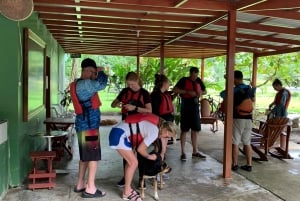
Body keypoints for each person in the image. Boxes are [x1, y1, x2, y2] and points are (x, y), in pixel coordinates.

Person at [108, 113, 176, 201]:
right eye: (167, 136)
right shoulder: (154, 131)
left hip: (119, 132)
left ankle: (127, 189)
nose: (166, 138)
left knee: (131, 162)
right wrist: (150, 157)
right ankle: (126, 193)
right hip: (119, 134)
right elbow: (140, 149)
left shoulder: (156, 126)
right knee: (134, 163)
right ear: (165, 129)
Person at [69, 58, 108, 198]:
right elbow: (102, 84)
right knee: (93, 157)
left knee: (85, 157)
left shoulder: (78, 84)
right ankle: (90, 188)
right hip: (89, 126)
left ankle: (80, 184)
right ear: (85, 71)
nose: (94, 75)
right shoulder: (85, 84)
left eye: (95, 72)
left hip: (82, 124)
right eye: (93, 72)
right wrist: (102, 71)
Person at [111, 71, 152, 188]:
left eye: (132, 84)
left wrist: (135, 108)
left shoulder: (144, 93)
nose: (130, 87)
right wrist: (117, 104)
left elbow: (149, 110)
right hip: (126, 126)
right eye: (128, 85)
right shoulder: (125, 92)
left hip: (140, 126)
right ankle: (126, 177)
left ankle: (141, 178)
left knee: (140, 152)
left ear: (137, 81)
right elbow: (113, 104)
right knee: (127, 152)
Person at [221, 70, 255, 172]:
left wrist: (228, 81)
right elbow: (252, 99)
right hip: (248, 118)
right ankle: (249, 165)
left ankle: (235, 164)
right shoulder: (248, 89)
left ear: (234, 78)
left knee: (235, 142)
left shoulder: (234, 90)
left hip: (237, 118)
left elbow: (222, 94)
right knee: (247, 142)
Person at [173, 66, 207, 161]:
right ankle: (183, 152)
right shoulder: (183, 80)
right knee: (184, 129)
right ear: (190, 73)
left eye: (196, 76)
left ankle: (195, 151)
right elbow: (175, 90)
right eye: (193, 76)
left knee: (195, 129)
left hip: (195, 107)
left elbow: (205, 91)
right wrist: (187, 91)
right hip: (186, 106)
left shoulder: (198, 80)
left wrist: (199, 92)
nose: (194, 78)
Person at [150, 73, 176, 181]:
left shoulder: (164, 94)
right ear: (164, 83)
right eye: (168, 82)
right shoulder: (155, 96)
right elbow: (154, 112)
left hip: (165, 127)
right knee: (159, 149)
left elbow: (169, 100)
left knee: (163, 150)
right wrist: (161, 125)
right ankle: (155, 172)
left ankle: (159, 170)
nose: (169, 84)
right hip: (160, 127)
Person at [268, 78, 291, 150]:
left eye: (275, 87)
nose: (274, 89)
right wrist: (271, 104)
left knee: (279, 129)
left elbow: (281, 104)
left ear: (278, 85)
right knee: (277, 129)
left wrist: (272, 111)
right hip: (278, 112)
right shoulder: (280, 92)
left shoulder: (284, 92)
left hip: (282, 113)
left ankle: (280, 146)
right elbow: (277, 101)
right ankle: (275, 144)